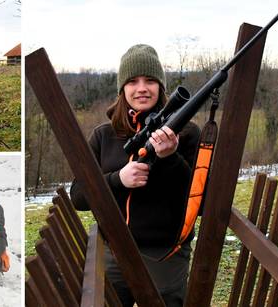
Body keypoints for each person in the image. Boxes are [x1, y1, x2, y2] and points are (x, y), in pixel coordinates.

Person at [69, 44, 200, 306]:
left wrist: (170, 158)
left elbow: (200, 201)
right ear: (122, 89)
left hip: (165, 252)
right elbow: (79, 197)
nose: (142, 88)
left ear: (161, 87)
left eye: (150, 80)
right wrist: (119, 179)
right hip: (113, 248)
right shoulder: (103, 135)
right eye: (133, 81)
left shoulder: (187, 134)